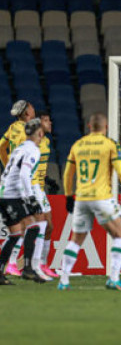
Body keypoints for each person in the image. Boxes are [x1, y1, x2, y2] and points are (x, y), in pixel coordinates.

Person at [59, 113, 121, 291]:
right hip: (102, 198)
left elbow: (67, 174)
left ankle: (63, 281)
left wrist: (68, 195)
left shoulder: (77, 145)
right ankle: (114, 278)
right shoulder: (109, 144)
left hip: (81, 198)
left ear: (89, 126)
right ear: (106, 127)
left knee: (76, 240)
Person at [0, 118, 47, 284]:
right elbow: (24, 175)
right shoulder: (33, 150)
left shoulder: (19, 148)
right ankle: (28, 269)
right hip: (11, 196)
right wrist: (30, 198)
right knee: (34, 227)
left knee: (15, 234)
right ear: (40, 133)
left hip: (4, 193)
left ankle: (2, 271)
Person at [0, 100, 36, 277]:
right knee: (25, 225)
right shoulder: (28, 132)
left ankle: (11, 263)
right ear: (27, 113)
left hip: (9, 182)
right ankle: (11, 262)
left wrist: (7, 166)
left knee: (22, 225)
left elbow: (1, 147)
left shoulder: (13, 128)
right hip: (19, 184)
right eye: (32, 108)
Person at [30, 111, 57, 279]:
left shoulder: (46, 141)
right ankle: (31, 264)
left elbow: (39, 166)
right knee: (35, 226)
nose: (50, 123)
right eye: (46, 120)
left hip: (40, 188)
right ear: (39, 123)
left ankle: (41, 263)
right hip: (31, 188)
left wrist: (47, 179)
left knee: (49, 227)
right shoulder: (33, 142)